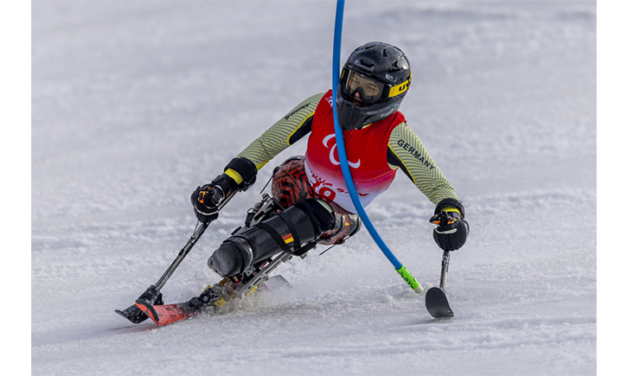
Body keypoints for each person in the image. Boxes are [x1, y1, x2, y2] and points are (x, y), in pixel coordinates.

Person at [190, 42, 469, 308]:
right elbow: (267, 144)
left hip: (338, 217)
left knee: (315, 212)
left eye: (369, 89)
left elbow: (437, 184)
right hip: (302, 181)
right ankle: (252, 263)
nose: (355, 95)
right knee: (288, 176)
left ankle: (243, 252)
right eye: (352, 82)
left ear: (391, 95)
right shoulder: (322, 104)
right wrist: (224, 183)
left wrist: (451, 214)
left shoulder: (395, 136)